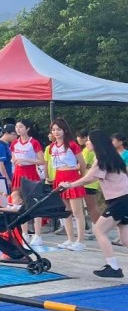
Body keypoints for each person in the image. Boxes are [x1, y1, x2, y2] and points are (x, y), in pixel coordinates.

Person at [57, 130, 128, 277]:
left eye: (89, 140)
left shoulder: (102, 160)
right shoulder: (110, 157)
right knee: (125, 239)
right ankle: (113, 266)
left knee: (99, 230)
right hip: (121, 199)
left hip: (120, 200)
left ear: (97, 143)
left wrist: (69, 185)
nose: (87, 143)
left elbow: (89, 178)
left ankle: (113, 267)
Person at [47, 118, 87, 251]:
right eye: (53, 130)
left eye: (59, 129)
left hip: (72, 178)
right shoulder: (52, 147)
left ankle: (80, 240)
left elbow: (82, 163)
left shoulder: (72, 144)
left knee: (77, 212)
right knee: (66, 211)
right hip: (59, 178)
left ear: (64, 130)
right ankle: (70, 239)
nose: (56, 132)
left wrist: (82, 178)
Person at [76, 129, 102, 235]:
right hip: (88, 181)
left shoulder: (87, 150)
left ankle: (98, 228)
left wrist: (68, 167)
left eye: (79, 137)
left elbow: (82, 165)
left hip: (88, 182)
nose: (77, 139)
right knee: (91, 207)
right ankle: (96, 228)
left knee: (92, 207)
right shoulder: (87, 150)